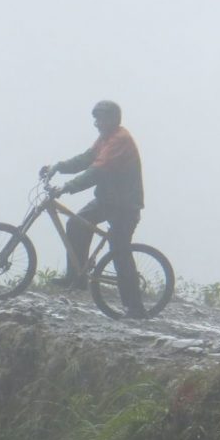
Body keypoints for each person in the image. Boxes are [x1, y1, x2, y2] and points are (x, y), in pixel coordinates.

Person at [41, 100, 146, 317]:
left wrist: (67, 187)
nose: (97, 123)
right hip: (107, 201)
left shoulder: (120, 140)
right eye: (95, 119)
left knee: (118, 251)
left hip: (125, 206)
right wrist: (58, 167)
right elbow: (86, 159)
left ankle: (135, 308)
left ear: (113, 119)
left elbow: (97, 171)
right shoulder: (105, 138)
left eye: (101, 119)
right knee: (76, 224)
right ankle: (76, 277)